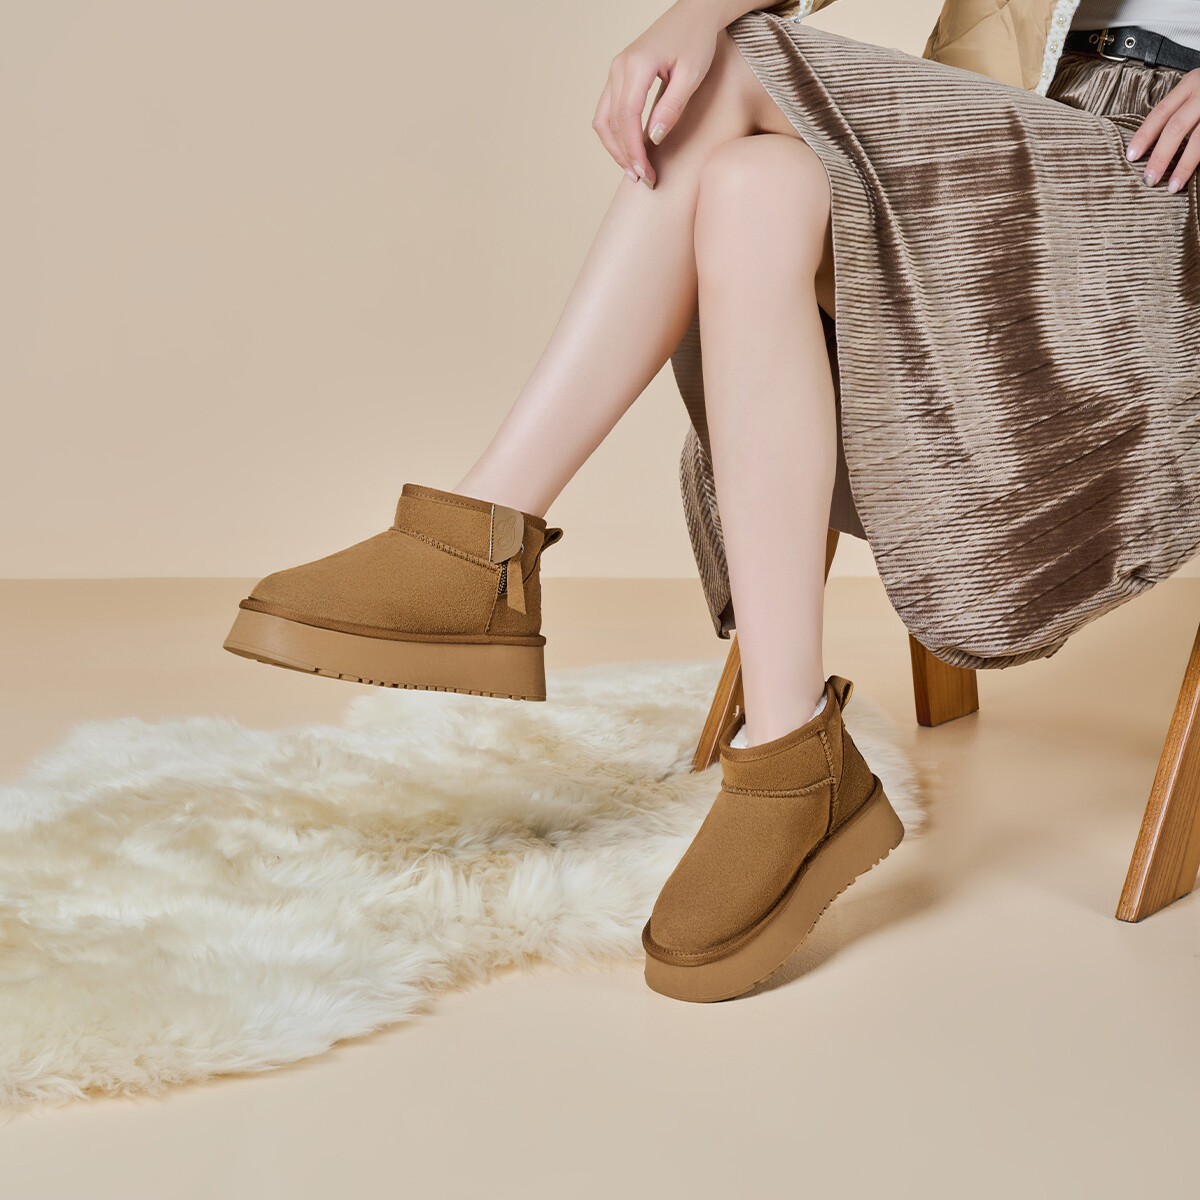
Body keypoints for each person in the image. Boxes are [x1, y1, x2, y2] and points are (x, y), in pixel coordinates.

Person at [222, 0, 1200, 1002]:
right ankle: (790, 752)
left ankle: (479, 540)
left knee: (737, 63)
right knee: (752, 189)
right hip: (1031, 113)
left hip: (1172, 188)